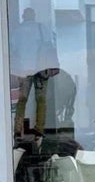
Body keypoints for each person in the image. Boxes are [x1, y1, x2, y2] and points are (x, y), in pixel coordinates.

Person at [11, 8, 60, 138]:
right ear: (34, 15)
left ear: (23, 16)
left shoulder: (17, 31)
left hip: (23, 70)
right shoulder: (41, 28)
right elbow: (50, 45)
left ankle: (18, 128)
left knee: (22, 100)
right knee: (41, 100)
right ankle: (40, 129)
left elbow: (13, 50)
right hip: (41, 68)